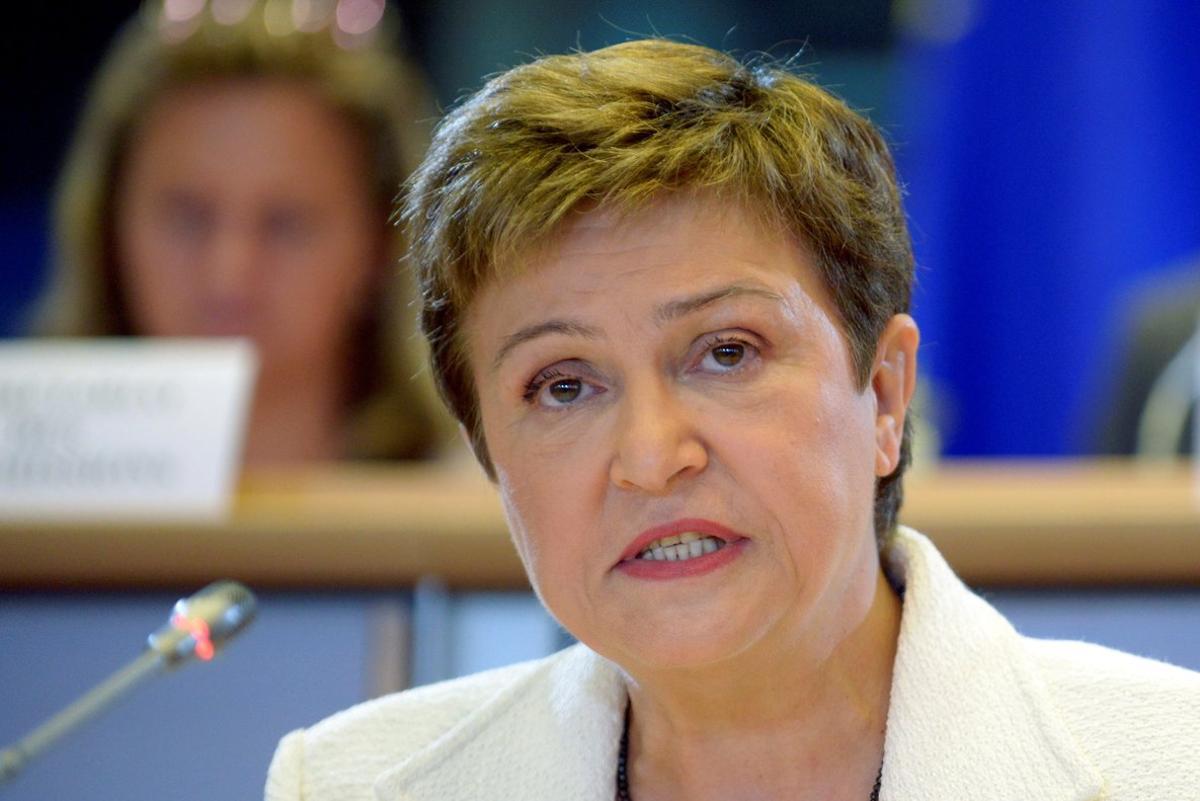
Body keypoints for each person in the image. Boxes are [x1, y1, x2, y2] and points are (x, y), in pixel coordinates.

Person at [265, 40, 1200, 800]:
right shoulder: (353, 785)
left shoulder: (1171, 766)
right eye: (562, 385)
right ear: (487, 453)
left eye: (726, 353)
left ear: (883, 393)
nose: (651, 456)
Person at [34, 0, 448, 463]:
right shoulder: (19, 513)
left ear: (382, 241)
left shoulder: (491, 516)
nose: (228, 272)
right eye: (187, 216)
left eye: (286, 222)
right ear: (106, 226)